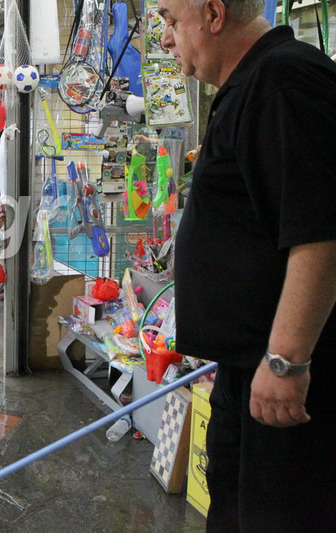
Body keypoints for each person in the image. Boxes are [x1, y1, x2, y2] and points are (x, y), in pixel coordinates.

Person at [158, 0, 336, 531]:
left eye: (170, 20)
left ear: (213, 15)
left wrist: (286, 360)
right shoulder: (253, 82)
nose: (165, 39)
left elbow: (322, 235)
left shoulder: (283, 81)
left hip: (286, 386)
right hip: (249, 375)